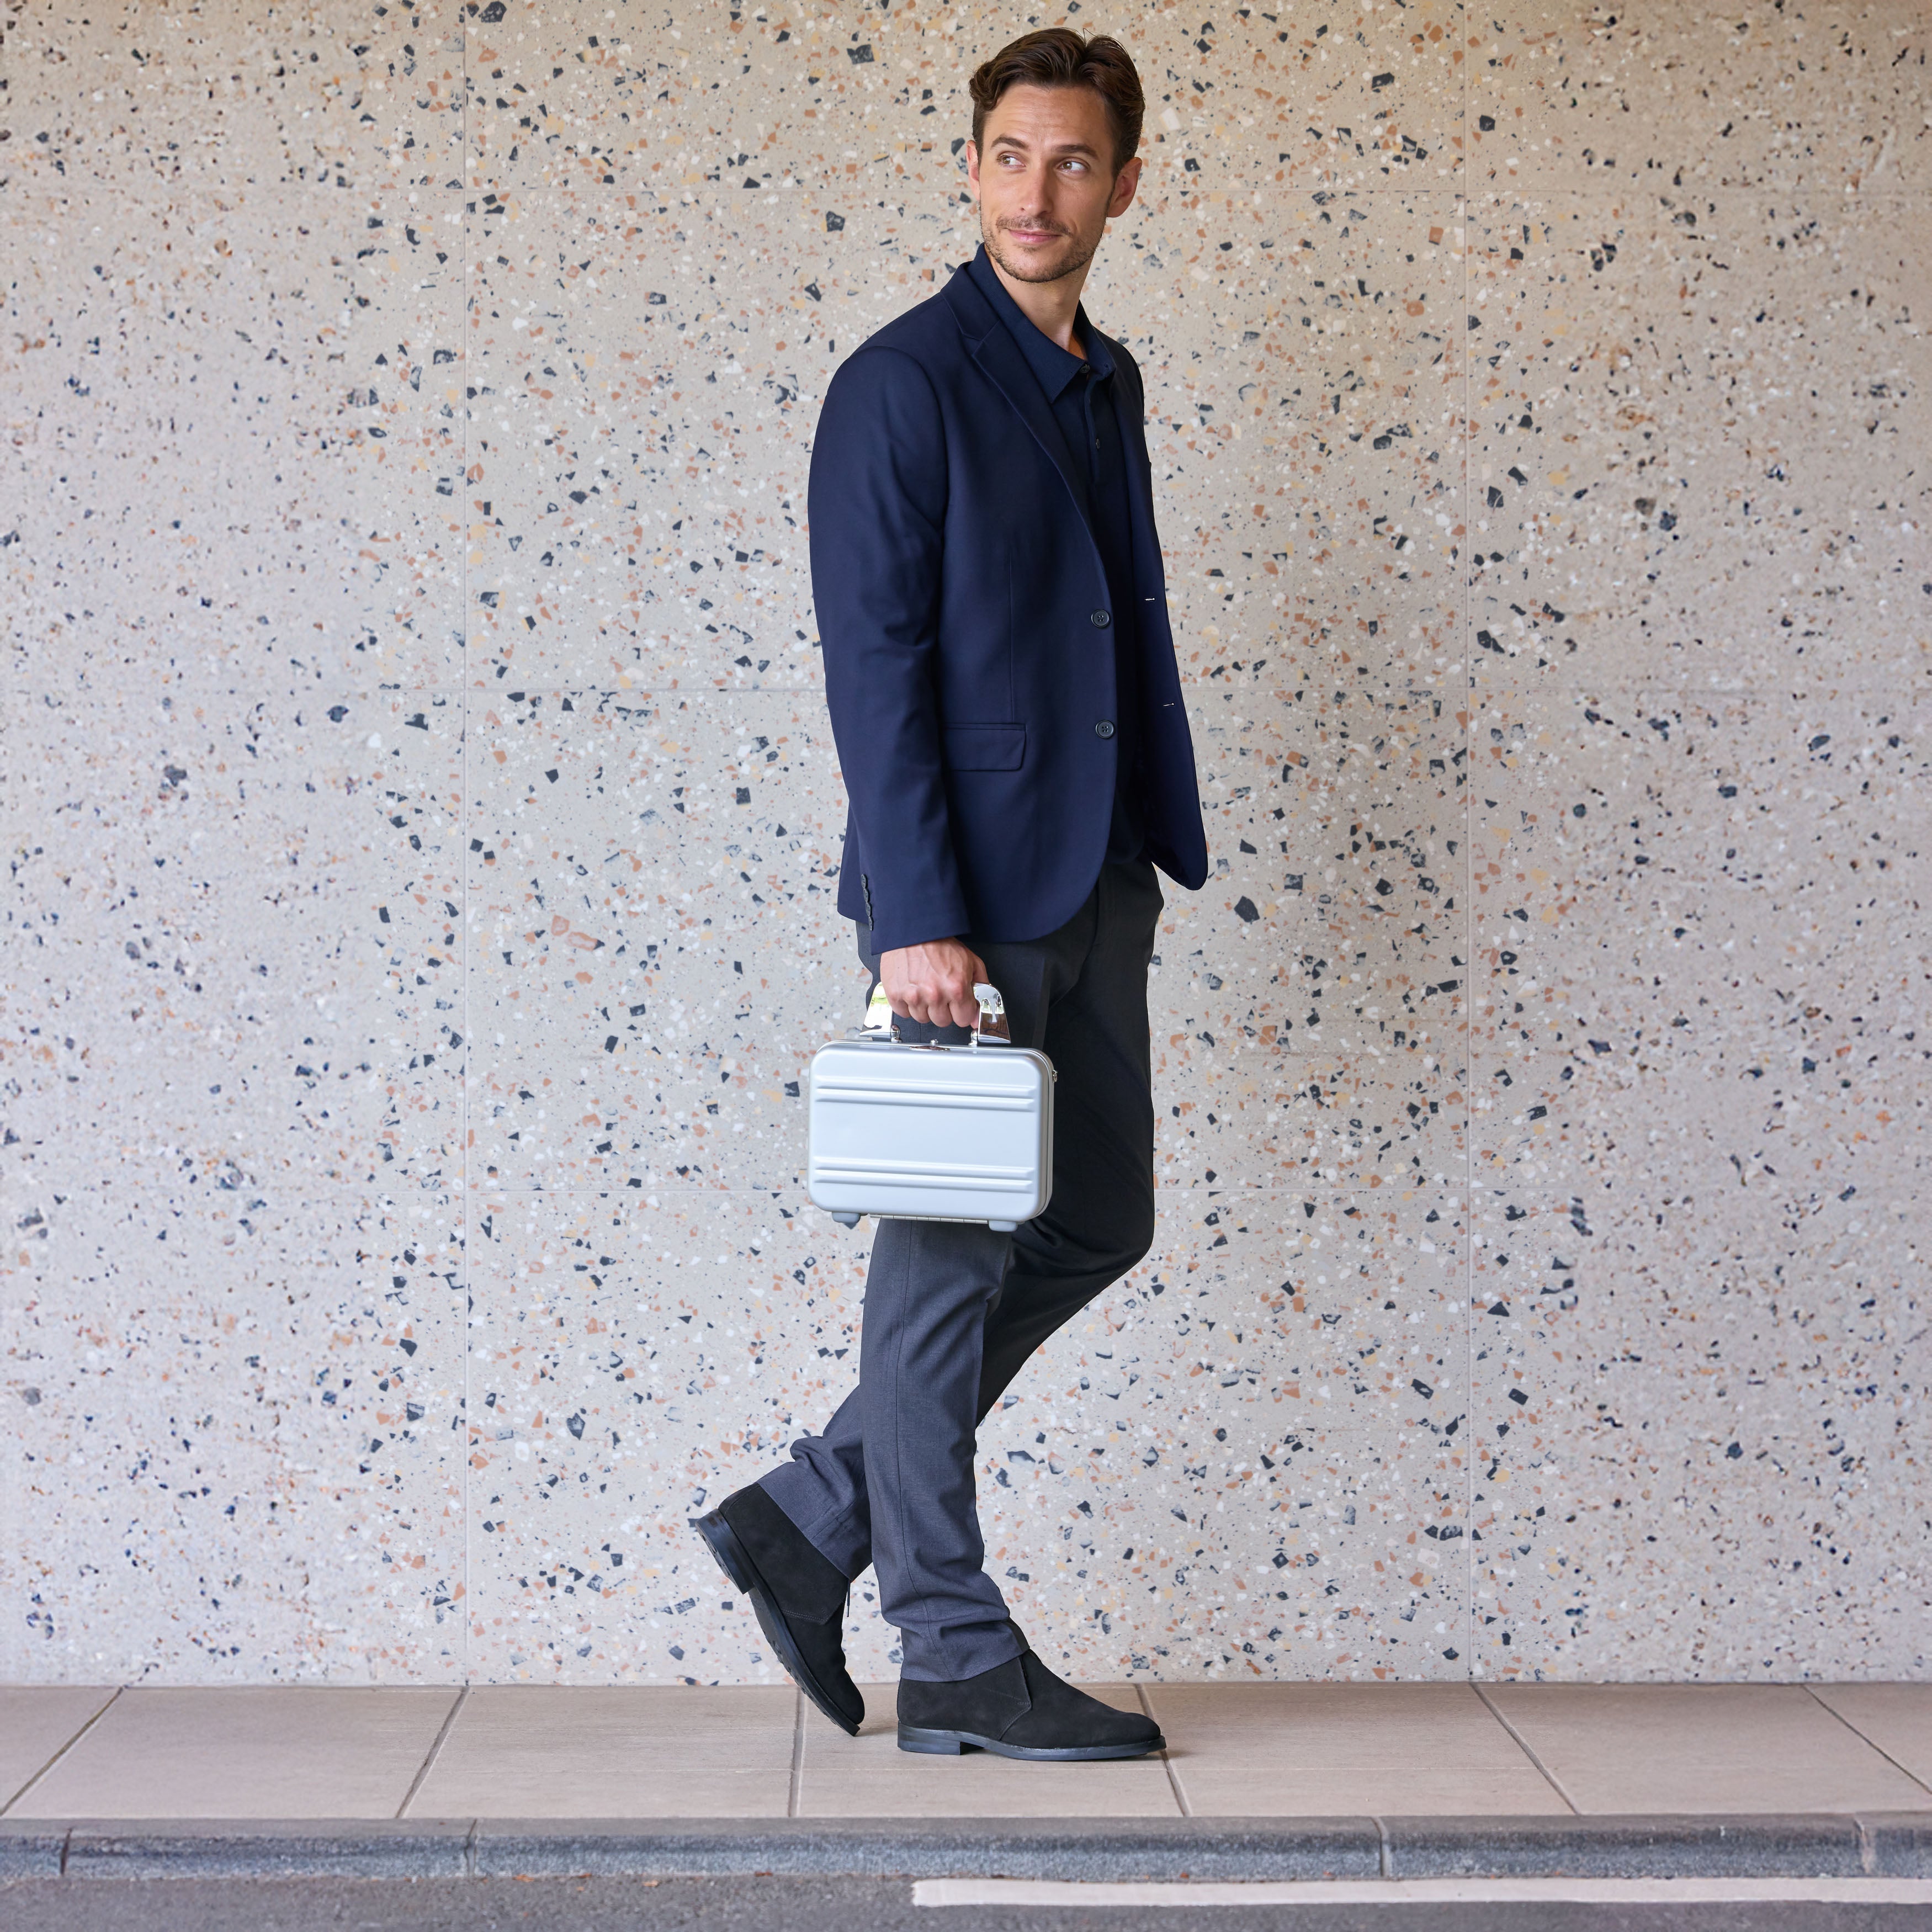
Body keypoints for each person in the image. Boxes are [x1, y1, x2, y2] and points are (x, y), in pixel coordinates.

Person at [696, 26, 1207, 1762]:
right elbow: (875, 665)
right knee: (938, 1268)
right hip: (958, 905)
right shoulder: (902, 383)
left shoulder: (1103, 380)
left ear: (1123, 183)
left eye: (1070, 162)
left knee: (1097, 1221)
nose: (1034, 193)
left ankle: (807, 1510)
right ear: (969, 167)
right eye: (1006, 155)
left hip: (1098, 876)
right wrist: (915, 912)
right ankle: (954, 1647)